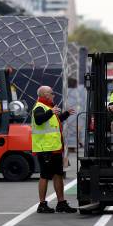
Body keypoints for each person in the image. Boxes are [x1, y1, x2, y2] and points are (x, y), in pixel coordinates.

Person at [32, 85, 77, 214]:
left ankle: (61, 203)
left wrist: (65, 114)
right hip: (45, 149)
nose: (53, 95)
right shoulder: (40, 107)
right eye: (52, 93)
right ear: (45, 95)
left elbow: (52, 122)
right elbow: (39, 119)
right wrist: (51, 112)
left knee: (58, 175)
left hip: (55, 148)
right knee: (44, 176)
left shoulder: (49, 108)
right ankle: (42, 204)